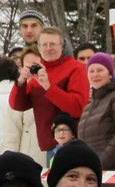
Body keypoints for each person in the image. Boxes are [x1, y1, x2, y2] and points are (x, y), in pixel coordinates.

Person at [8, 25, 89, 155]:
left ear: (62, 47)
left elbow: (77, 108)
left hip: (72, 143)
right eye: (44, 45)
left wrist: (48, 87)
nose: (48, 48)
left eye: (53, 44)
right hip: (48, 144)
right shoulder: (38, 71)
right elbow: (17, 105)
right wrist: (21, 81)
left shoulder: (76, 68)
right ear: (39, 48)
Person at [77, 52, 115, 174]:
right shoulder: (88, 106)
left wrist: (102, 161)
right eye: (91, 71)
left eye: (100, 70)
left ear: (110, 73)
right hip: (94, 172)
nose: (95, 75)